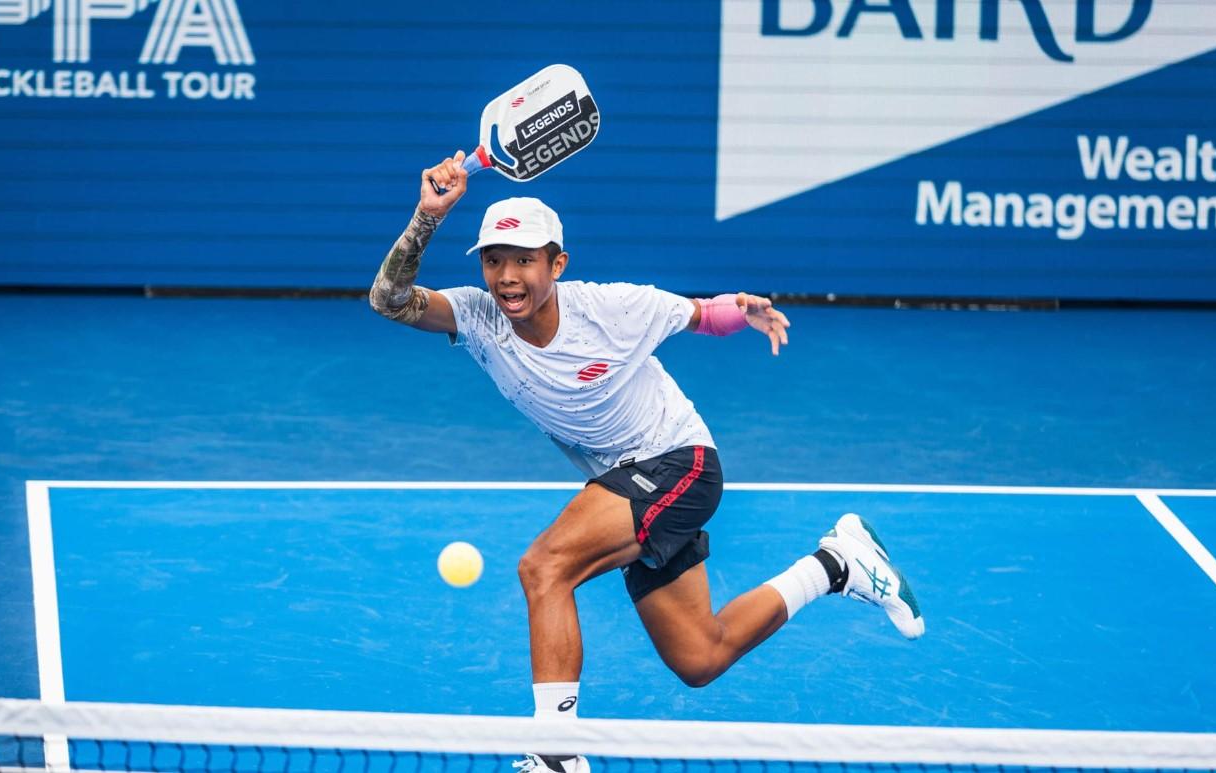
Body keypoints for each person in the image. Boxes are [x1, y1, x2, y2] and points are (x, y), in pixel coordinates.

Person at [369, 152, 924, 773]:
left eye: (524, 260)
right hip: (623, 482)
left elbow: (700, 314)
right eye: (494, 260)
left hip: (678, 462)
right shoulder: (477, 317)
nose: (506, 276)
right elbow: (389, 299)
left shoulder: (612, 308)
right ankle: (837, 564)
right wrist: (427, 216)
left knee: (545, 567)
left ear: (557, 264)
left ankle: (556, 754)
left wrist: (744, 309)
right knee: (701, 657)